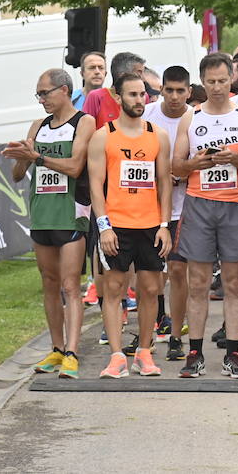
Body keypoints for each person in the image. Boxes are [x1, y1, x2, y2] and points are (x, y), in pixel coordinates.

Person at [170, 52, 238, 378]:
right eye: (211, 82)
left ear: (232, 79)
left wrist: (236, 161)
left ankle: (233, 353)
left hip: (236, 204)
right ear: (202, 82)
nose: (218, 87)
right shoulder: (190, 117)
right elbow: (175, 167)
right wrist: (197, 163)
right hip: (199, 204)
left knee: (235, 282)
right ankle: (194, 352)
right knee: (198, 281)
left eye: (223, 80)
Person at [3, 68, 96, 379]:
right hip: (42, 214)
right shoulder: (37, 126)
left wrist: (38, 157)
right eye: (38, 94)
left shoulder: (84, 122)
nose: (41, 99)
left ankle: (72, 352)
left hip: (70, 213)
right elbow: (18, 175)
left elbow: (75, 166)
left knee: (71, 286)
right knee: (49, 283)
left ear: (65, 90)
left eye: (45, 93)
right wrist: (22, 156)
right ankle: (56, 349)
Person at [87, 72, 173, 379]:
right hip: (117, 224)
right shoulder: (103, 136)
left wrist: (164, 224)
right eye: (133, 95)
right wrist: (104, 226)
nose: (140, 100)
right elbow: (96, 186)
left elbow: (165, 183)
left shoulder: (157, 135)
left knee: (151, 289)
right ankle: (115, 356)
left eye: (143, 94)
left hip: (151, 225)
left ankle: (144, 353)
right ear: (117, 96)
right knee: (113, 289)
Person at [144, 65, 192, 357]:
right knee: (149, 276)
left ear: (189, 91)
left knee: (177, 271)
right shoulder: (148, 115)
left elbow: (201, 160)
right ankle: (148, 335)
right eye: (169, 90)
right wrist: (160, 176)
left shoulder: (196, 117)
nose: (174, 96)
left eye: (180, 91)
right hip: (147, 208)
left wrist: (182, 174)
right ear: (161, 89)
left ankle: (176, 334)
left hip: (184, 208)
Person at [83, 51, 146, 126]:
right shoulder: (96, 96)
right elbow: (85, 131)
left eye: (142, 94)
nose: (144, 79)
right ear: (123, 75)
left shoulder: (145, 96)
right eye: (139, 74)